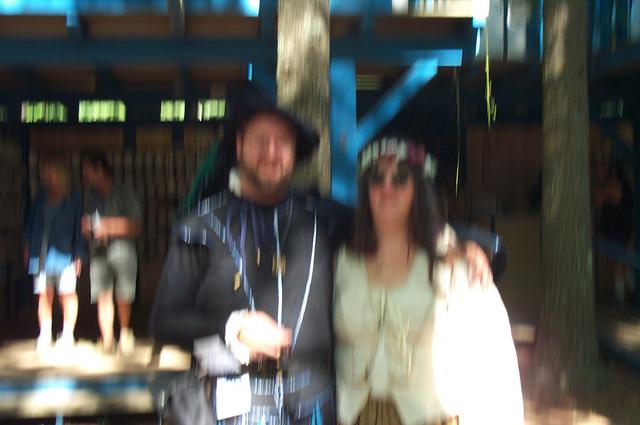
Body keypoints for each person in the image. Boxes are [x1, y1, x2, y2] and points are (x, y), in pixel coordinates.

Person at [150, 88, 494, 424]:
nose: (271, 152)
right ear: (238, 146)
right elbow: (164, 321)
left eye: (283, 142)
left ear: (295, 153)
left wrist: (468, 242)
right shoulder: (200, 228)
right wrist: (232, 329)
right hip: (232, 405)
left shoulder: (322, 218)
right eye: (260, 141)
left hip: (317, 406)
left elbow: (393, 221)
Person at [333, 137, 523, 425]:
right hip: (355, 416)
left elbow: (493, 363)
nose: (386, 187)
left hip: (432, 417)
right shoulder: (342, 261)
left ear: (418, 188)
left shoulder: (455, 264)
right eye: (376, 178)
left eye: (400, 178)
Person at [82, 153, 141, 355]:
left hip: (122, 250)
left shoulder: (125, 192)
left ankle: (124, 333)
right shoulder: (91, 197)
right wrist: (87, 228)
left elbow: (136, 225)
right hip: (98, 251)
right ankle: (107, 339)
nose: (84, 175)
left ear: (99, 169)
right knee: (102, 294)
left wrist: (106, 227)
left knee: (124, 295)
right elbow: (86, 222)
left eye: (87, 170)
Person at [23, 155, 84, 351]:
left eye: (50, 173)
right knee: (43, 295)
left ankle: (67, 334)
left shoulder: (74, 198)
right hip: (40, 254)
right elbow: (31, 224)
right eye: (45, 174)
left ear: (60, 174)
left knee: (67, 295)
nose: (47, 178)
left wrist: (78, 254)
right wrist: (26, 247)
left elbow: (79, 228)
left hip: (65, 255)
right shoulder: (40, 197)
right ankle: (45, 333)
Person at [596, 162, 633, 305]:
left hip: (618, 230)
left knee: (619, 264)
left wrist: (601, 181)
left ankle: (621, 297)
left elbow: (600, 198)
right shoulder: (614, 185)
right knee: (615, 263)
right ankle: (630, 290)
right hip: (611, 230)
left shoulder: (617, 185)